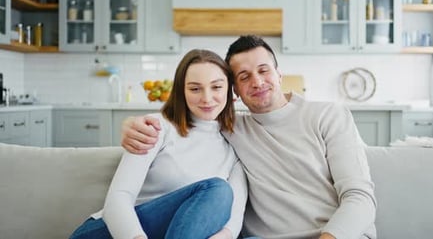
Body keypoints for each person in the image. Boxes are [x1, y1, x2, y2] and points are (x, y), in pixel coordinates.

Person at [121, 35, 377, 239]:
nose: (257, 82)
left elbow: (360, 198)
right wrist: (132, 125)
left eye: (264, 70)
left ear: (279, 74)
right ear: (235, 91)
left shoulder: (328, 116)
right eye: (244, 77)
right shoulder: (232, 128)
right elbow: (186, 120)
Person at [70, 49, 247, 239]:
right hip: (113, 233)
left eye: (216, 87)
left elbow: (232, 223)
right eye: (195, 88)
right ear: (181, 92)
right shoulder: (155, 128)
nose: (206, 97)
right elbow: (118, 199)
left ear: (230, 90)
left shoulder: (234, 147)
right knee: (218, 190)